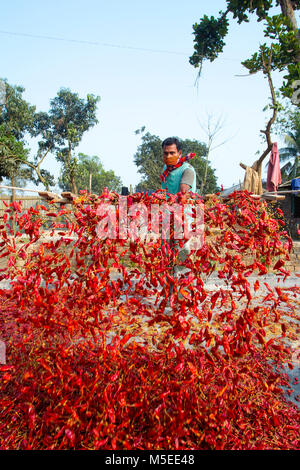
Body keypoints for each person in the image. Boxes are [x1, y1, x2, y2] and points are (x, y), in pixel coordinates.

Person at [160, 137, 197, 283]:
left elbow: (182, 192)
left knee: (182, 260)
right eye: (165, 153)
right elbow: (164, 193)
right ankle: (171, 296)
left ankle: (182, 300)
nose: (168, 156)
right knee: (168, 261)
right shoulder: (166, 170)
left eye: (172, 153)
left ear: (179, 153)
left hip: (184, 221)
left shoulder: (187, 170)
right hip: (167, 221)